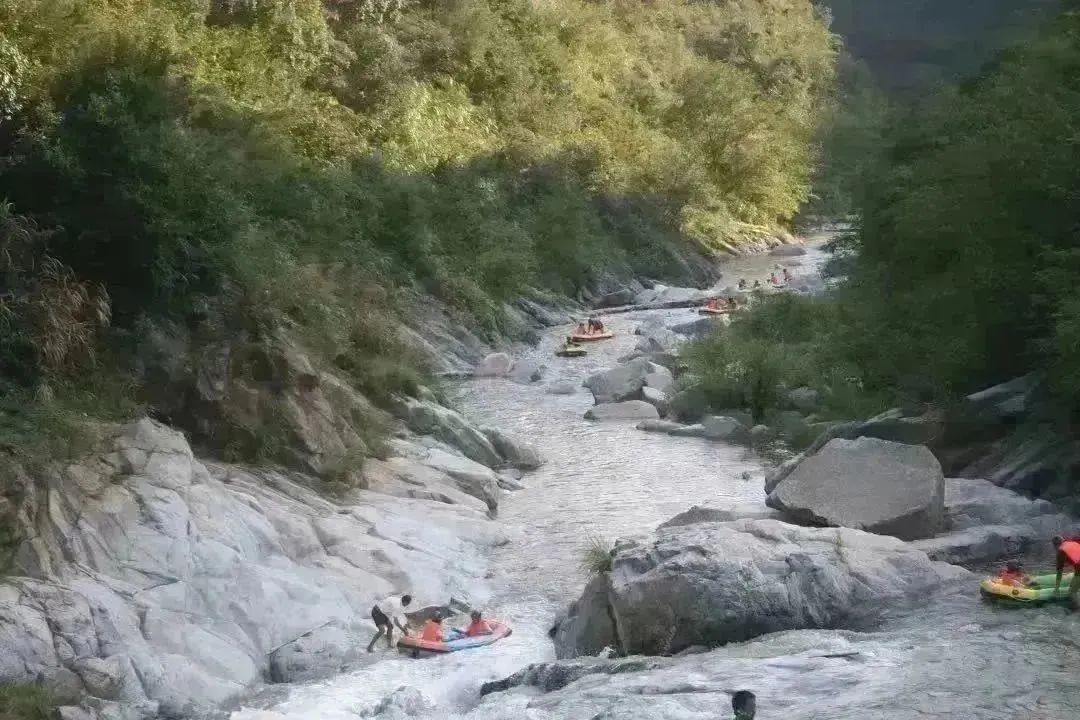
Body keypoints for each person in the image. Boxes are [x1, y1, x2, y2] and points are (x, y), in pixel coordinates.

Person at [1053, 535, 1080, 608]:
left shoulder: (1061, 551)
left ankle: (1076, 613)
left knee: (1071, 593)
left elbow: (1059, 572)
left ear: (1055, 546)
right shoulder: (1072, 543)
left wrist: (1057, 588)